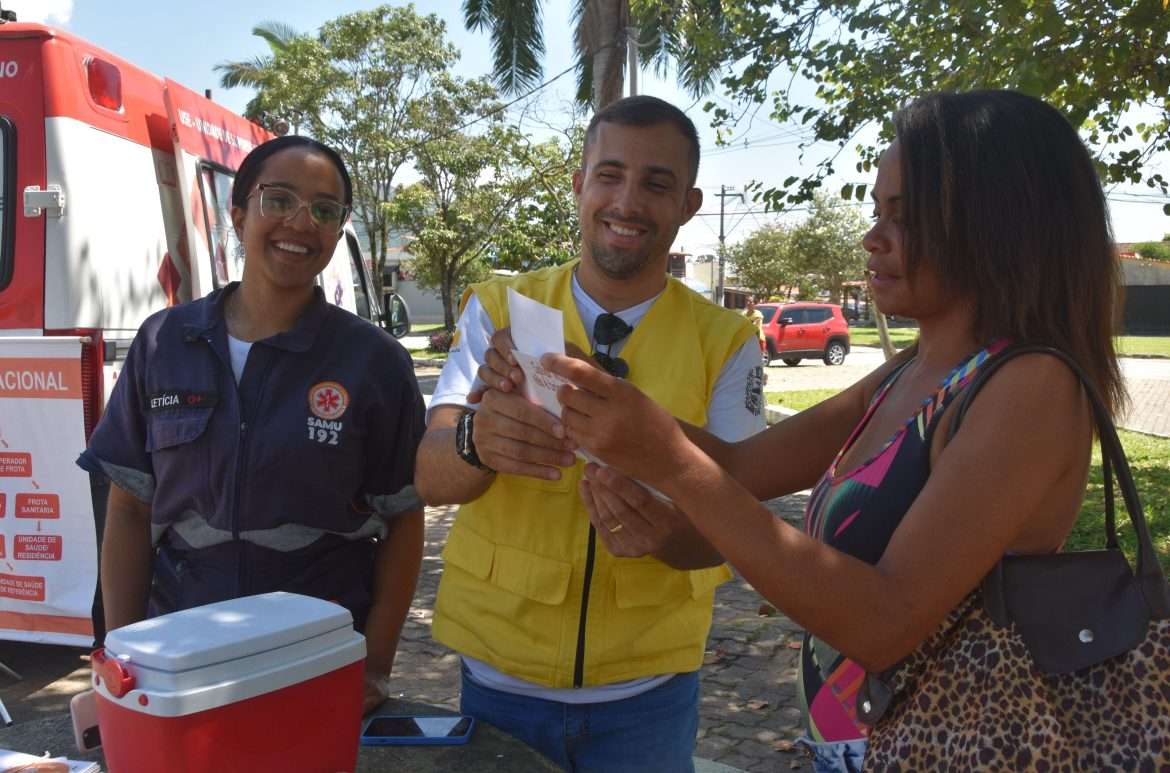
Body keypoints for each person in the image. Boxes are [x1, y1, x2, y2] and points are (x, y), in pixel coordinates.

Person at [489, 90, 1124, 770]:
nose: (872, 236)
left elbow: (884, 622)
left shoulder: (1029, 387)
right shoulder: (911, 373)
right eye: (877, 211)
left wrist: (669, 463)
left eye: (904, 218)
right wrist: (588, 387)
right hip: (860, 747)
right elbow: (740, 465)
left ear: (995, 224)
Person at [414, 95, 767, 772]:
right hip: (496, 684)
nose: (627, 201)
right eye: (609, 175)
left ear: (689, 204)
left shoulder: (727, 342)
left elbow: (740, 517)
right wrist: (476, 443)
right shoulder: (496, 310)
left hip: (648, 696)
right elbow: (429, 473)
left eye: (656, 183)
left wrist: (667, 534)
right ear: (579, 186)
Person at [78, 135, 426, 715]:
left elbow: (403, 521)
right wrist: (123, 656)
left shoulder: (374, 360)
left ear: (338, 232)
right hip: (180, 658)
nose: (301, 222)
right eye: (279, 199)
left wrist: (377, 664)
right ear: (238, 215)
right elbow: (128, 511)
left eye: (324, 209)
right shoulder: (163, 342)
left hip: (314, 660)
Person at [743, 297, 768, 363]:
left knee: (758, 360)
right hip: (747, 340)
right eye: (747, 301)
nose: (748, 303)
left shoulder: (758, 314)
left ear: (754, 304)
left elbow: (755, 326)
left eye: (750, 302)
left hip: (758, 339)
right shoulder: (743, 314)